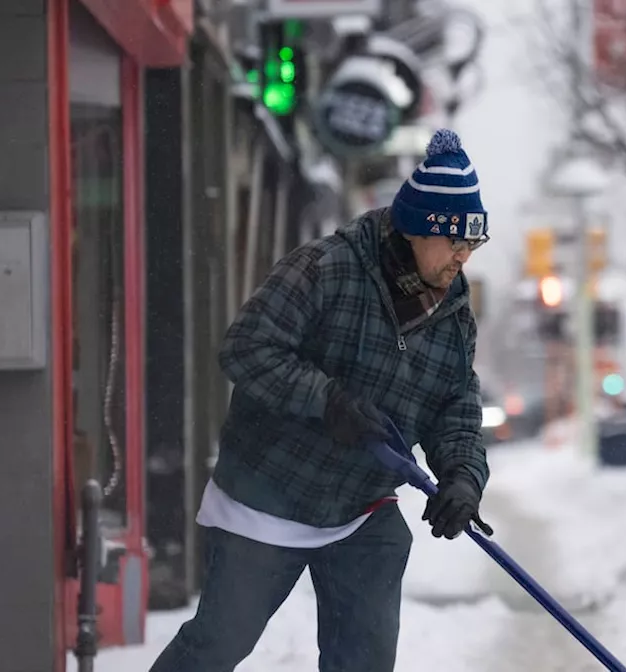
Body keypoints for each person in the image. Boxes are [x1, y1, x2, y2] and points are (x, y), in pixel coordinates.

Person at [150, 129, 493, 672]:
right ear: (415, 229)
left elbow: (455, 407)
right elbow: (246, 349)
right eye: (454, 240)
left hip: (363, 508)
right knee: (217, 645)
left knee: (364, 660)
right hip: (269, 496)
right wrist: (327, 401)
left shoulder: (452, 316)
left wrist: (462, 477)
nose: (463, 256)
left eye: (472, 244)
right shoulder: (326, 268)